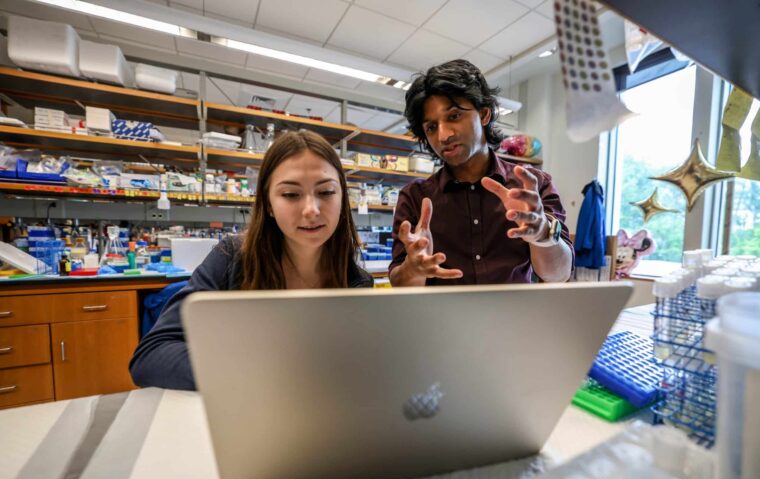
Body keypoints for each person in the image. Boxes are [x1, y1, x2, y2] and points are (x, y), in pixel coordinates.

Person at [130, 130, 374, 390]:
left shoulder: (356, 282)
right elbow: (151, 357)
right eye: (291, 195)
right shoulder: (231, 258)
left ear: (342, 198)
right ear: (268, 203)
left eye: (326, 192)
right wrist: (255, 373)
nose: (311, 210)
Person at [389, 59, 574, 287]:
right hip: (440, 322)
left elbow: (559, 275)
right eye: (432, 127)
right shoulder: (415, 197)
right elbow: (400, 283)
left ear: (484, 114)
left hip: (515, 321)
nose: (444, 135)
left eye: (454, 116)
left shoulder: (531, 187)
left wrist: (542, 234)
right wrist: (412, 268)